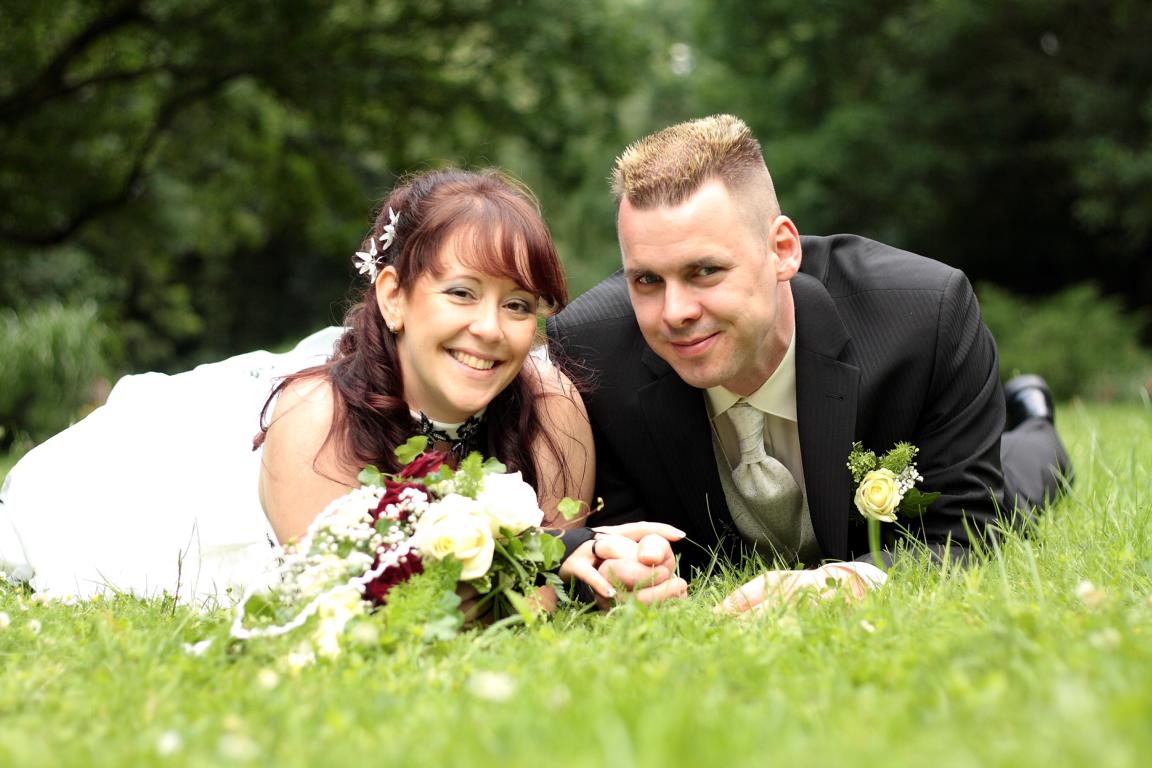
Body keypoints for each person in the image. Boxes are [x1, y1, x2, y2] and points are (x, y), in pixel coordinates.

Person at [0, 168, 607, 602]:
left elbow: (553, 567)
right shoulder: (318, 424)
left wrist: (602, 557)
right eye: (461, 293)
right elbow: (372, 610)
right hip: (159, 491)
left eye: (519, 305)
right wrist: (545, 572)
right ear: (394, 297)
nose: (489, 330)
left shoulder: (550, 403)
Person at [552, 115, 1071, 612]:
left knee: (1018, 486)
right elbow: (608, 525)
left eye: (705, 271)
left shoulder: (924, 316)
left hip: (969, 470)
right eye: (645, 280)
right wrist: (625, 567)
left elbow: (964, 533)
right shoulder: (589, 351)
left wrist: (843, 583)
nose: (675, 312)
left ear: (782, 250)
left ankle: (1035, 420)